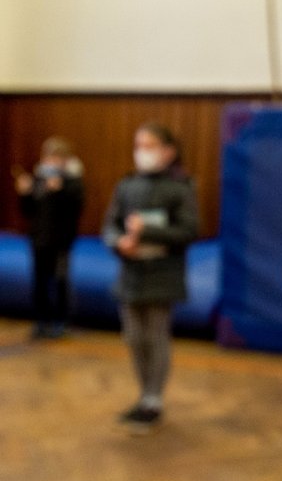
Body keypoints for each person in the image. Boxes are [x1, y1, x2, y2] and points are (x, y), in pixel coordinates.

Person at [102, 122, 198, 433]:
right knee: (133, 338)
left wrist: (148, 232)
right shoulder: (127, 186)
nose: (143, 152)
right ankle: (143, 393)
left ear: (168, 151)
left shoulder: (180, 188)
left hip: (162, 275)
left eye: (150, 146)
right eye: (139, 145)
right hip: (131, 274)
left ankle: (153, 400)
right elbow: (110, 226)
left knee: (156, 337)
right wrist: (119, 242)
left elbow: (189, 230)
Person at [14, 136, 84, 339]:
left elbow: (75, 210)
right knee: (39, 281)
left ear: (66, 160)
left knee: (60, 281)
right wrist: (25, 193)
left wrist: (59, 192)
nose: (53, 162)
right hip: (38, 240)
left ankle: (63, 321)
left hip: (61, 241)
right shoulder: (39, 181)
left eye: (58, 157)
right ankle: (42, 321)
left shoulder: (73, 183)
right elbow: (28, 211)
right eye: (50, 157)